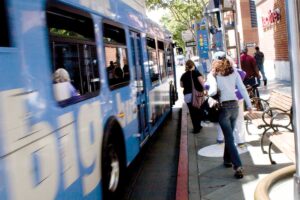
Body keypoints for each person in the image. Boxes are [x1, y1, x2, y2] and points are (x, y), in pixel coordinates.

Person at [210, 59, 252, 179]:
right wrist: (249, 105)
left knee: (229, 138)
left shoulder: (215, 74)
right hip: (235, 106)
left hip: (223, 108)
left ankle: (238, 166)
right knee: (229, 136)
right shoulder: (234, 72)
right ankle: (227, 160)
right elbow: (242, 88)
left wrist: (210, 93)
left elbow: (212, 91)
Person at [180, 60, 205, 133]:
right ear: (193, 65)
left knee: (192, 112)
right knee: (198, 110)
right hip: (197, 95)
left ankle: (196, 127)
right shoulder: (197, 73)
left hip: (187, 96)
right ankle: (198, 126)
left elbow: (181, 85)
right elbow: (203, 83)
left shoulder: (183, 75)